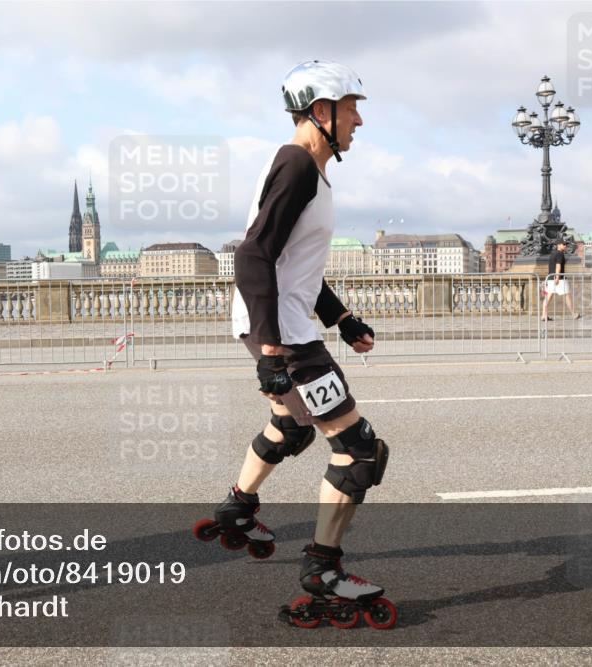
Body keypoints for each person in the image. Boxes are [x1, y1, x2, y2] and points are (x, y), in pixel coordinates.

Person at [217, 61, 390, 605]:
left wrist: (343, 319)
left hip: (278, 326)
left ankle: (237, 509)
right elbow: (253, 256)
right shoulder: (296, 166)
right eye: (352, 107)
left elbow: (297, 266)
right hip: (285, 335)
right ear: (322, 111)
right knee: (359, 452)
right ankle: (323, 573)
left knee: (292, 427)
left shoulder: (305, 169)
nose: (359, 120)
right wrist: (273, 350)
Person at [541, 239, 579, 321]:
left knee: (548, 297)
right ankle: (573, 314)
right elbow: (558, 266)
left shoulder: (553, 253)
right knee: (567, 296)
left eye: (566, 244)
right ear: (558, 245)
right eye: (564, 244)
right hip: (559, 279)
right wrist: (557, 277)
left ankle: (544, 315)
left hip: (550, 278)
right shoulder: (559, 254)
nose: (565, 246)